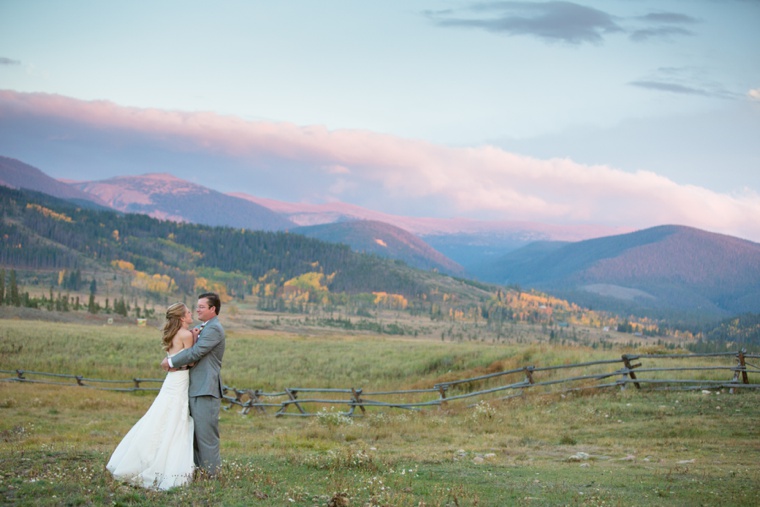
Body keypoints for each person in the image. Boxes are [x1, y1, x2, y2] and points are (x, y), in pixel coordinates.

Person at [107, 302, 196, 490]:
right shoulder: (187, 335)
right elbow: (191, 361)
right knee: (175, 417)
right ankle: (165, 465)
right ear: (181, 317)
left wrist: (171, 364)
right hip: (180, 379)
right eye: (188, 312)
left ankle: (141, 458)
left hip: (171, 380)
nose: (191, 314)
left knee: (160, 415)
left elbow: (174, 359)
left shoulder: (172, 334)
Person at [161, 292, 226, 477]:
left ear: (213, 309)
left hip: (206, 389)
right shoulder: (200, 328)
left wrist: (171, 362)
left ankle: (212, 476)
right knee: (194, 436)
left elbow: (196, 352)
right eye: (196, 306)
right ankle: (199, 472)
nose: (197, 309)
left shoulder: (214, 329)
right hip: (193, 388)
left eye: (202, 307)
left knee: (206, 437)